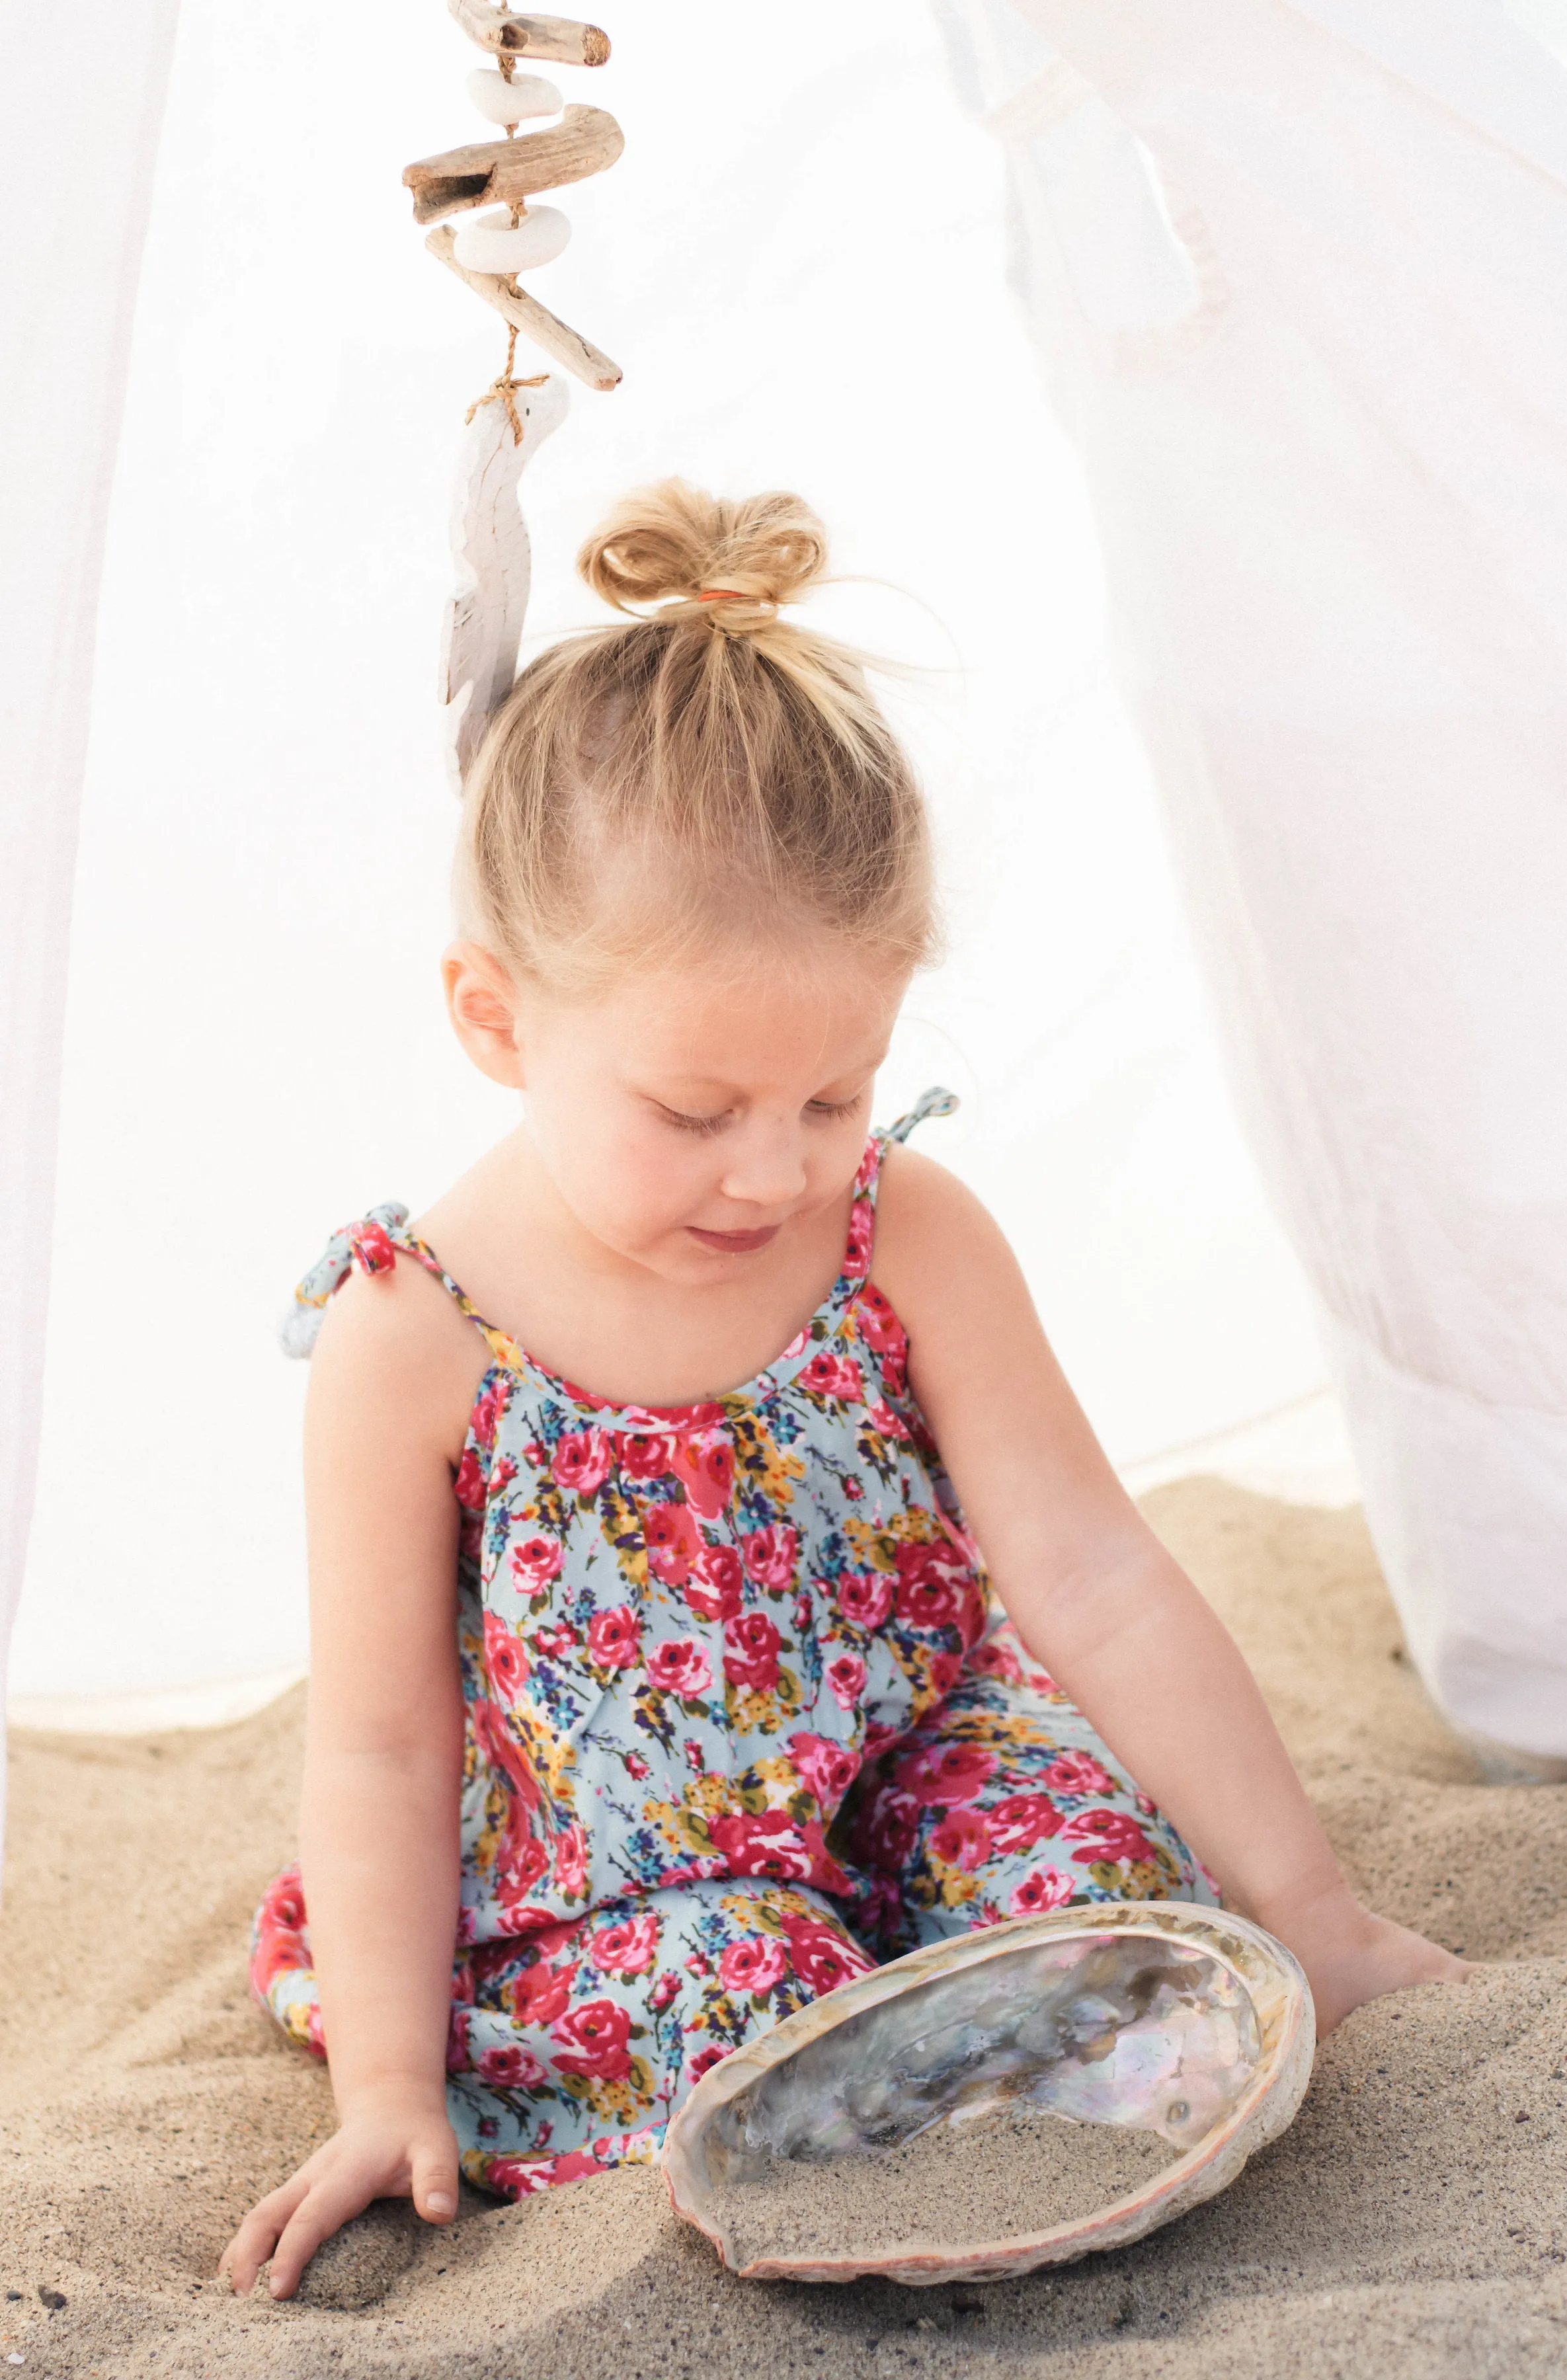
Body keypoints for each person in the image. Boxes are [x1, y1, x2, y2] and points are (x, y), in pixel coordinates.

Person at [221, 481, 1464, 2301]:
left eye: (834, 1093)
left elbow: (1094, 1575)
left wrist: (1318, 1915)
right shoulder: (416, 1334)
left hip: (909, 1766)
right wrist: (388, 2084)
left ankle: (993, 2024)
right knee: (749, 2006)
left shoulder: (904, 1234)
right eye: (693, 1110)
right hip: (630, 1882)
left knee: (1097, 1874)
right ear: (497, 1019)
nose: (773, 1174)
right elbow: (385, 1743)